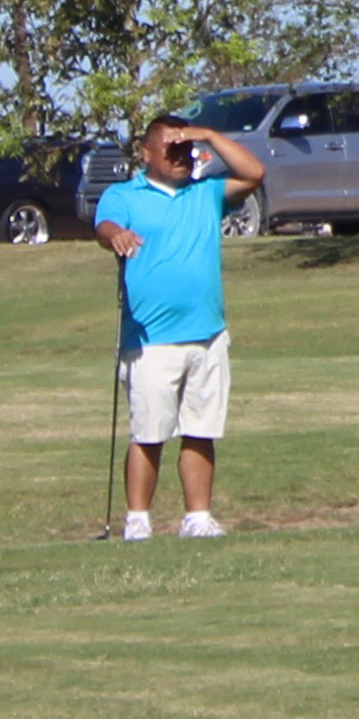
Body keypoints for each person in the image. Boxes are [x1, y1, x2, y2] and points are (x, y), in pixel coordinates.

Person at [94, 112, 266, 541]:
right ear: (146, 153)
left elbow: (254, 172)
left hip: (206, 333)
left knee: (200, 431)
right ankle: (137, 521)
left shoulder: (204, 192)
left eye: (188, 150)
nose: (183, 157)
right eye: (172, 150)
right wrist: (117, 235)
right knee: (149, 433)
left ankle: (197, 517)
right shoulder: (124, 194)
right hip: (150, 340)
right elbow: (104, 226)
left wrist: (207, 134)